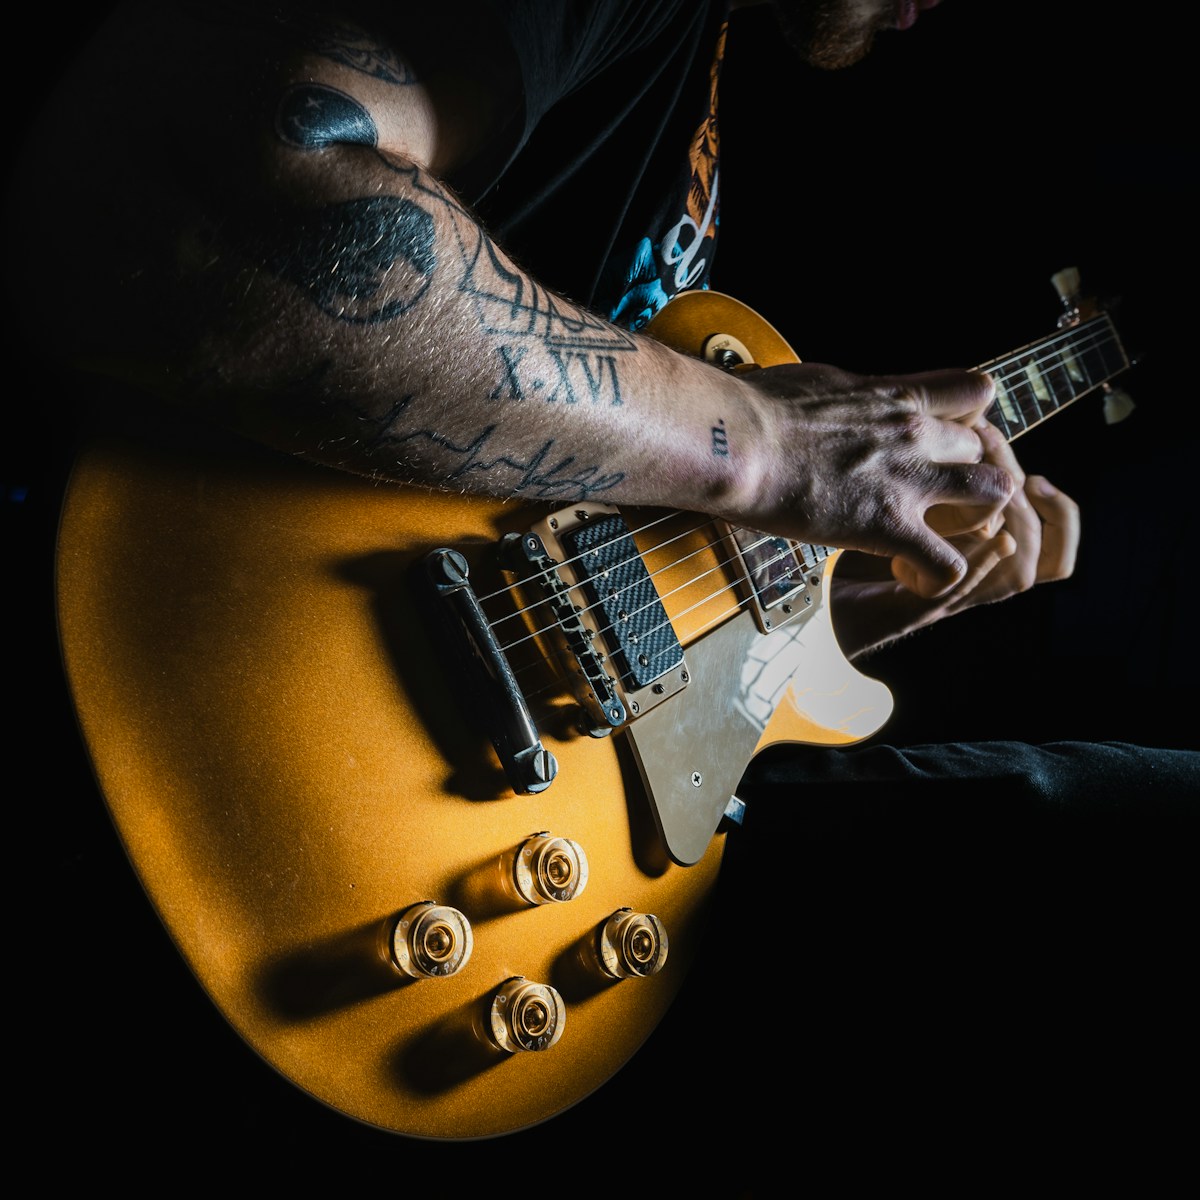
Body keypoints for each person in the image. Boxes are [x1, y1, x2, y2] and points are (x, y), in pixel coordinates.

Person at [8, 0, 1195, 1177]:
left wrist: (841, 602)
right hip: (204, 677)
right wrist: (765, 448)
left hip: (497, 842)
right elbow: (200, 192)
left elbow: (575, 504)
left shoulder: (702, 60)